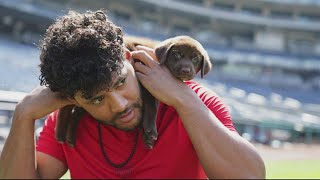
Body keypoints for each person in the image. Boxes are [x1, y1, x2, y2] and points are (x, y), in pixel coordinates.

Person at [0, 10, 265, 179]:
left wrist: (183, 99)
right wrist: (24, 114)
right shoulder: (70, 120)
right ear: (73, 99)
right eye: (96, 99)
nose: (119, 104)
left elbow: (250, 177)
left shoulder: (193, 100)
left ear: (128, 58)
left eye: (120, 82)